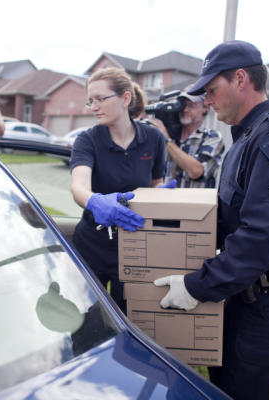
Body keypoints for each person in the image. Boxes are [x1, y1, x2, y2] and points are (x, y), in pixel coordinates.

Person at [153, 40, 269, 399]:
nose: (207, 102)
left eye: (212, 91)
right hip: (245, 295)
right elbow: (230, 216)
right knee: (224, 386)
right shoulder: (249, 136)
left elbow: (261, 238)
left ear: (241, 79)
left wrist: (197, 286)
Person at [70, 67, 168, 313]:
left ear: (125, 98)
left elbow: (157, 182)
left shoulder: (154, 139)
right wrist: (95, 202)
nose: (93, 107)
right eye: (90, 101)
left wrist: (164, 195)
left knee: (129, 315)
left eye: (100, 99)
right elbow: (79, 186)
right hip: (92, 244)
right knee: (89, 316)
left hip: (135, 243)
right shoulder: (87, 140)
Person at [148, 84, 225, 188]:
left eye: (191, 105)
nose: (185, 110)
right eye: (183, 105)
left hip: (193, 203)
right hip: (165, 202)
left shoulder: (211, 137)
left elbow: (196, 171)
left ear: (206, 108)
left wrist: (167, 140)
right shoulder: (168, 133)